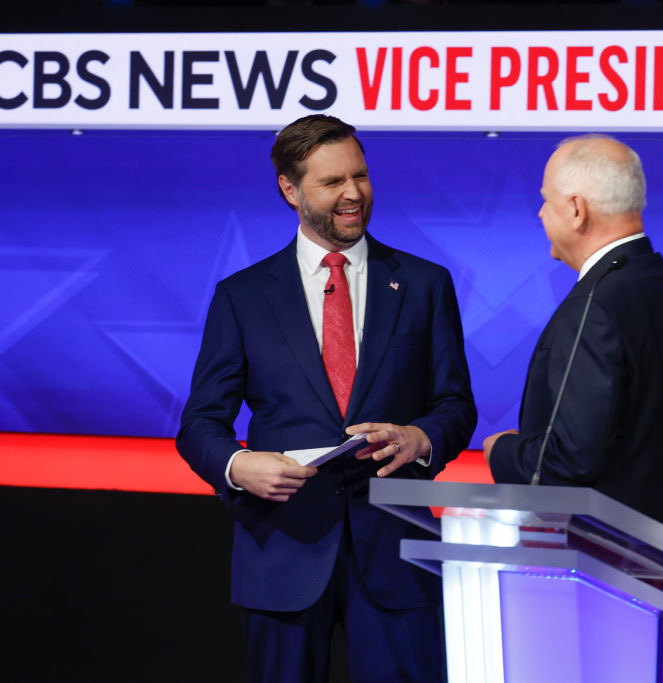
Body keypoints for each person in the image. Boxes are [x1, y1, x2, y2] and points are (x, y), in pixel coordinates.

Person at [177, 114, 476, 682]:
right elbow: (199, 423)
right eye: (332, 182)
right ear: (290, 190)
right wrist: (240, 466)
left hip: (395, 549)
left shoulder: (423, 284)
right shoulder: (242, 297)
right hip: (282, 552)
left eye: (360, 177)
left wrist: (421, 438)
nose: (353, 195)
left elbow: (456, 405)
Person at [483, 134, 663, 536]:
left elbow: (567, 463)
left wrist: (500, 450)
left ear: (575, 210)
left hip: (597, 559)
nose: (539, 214)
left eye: (546, 200)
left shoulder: (596, 305)